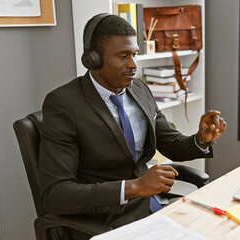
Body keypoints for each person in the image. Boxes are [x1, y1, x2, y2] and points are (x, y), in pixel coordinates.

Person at [39, 13, 226, 239]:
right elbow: (56, 194)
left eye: (134, 54)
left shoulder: (139, 89)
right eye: (123, 56)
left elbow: (170, 143)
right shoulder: (63, 104)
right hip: (103, 218)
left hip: (149, 205)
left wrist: (201, 139)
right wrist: (135, 187)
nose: (133, 64)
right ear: (93, 59)